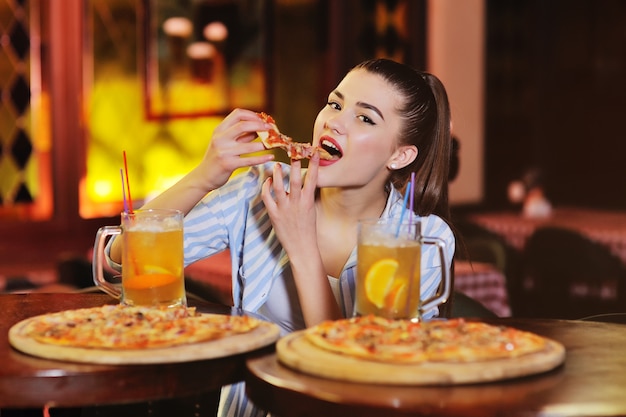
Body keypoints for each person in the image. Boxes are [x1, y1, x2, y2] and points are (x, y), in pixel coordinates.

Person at [110, 58, 455, 417]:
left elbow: (359, 375)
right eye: (335, 104)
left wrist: (302, 245)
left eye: (365, 118)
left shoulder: (423, 240)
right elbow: (126, 263)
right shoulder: (261, 187)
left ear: (400, 155)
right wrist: (205, 176)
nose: (334, 121)